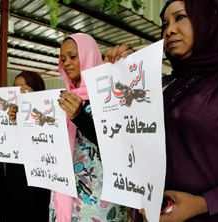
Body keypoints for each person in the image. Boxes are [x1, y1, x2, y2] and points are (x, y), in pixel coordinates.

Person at [107, 0, 218, 221]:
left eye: (180, 17)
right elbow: (122, 140)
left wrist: (205, 203)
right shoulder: (161, 86)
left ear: (208, 21)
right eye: (164, 24)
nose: (169, 29)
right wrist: (122, 76)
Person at [51, 33, 129, 222]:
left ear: (88, 55)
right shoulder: (62, 100)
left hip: (99, 200)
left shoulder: (108, 95)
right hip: (65, 195)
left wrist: (80, 117)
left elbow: (120, 144)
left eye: (72, 56)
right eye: (62, 59)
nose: (66, 63)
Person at [0, 71, 51, 222]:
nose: (18, 92)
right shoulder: (5, 115)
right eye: (15, 87)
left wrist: (32, 104)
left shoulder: (45, 117)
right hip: (10, 187)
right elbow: (3, 149)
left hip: (35, 188)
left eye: (24, 87)